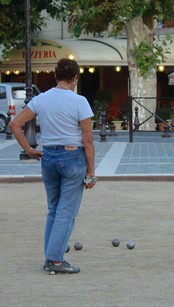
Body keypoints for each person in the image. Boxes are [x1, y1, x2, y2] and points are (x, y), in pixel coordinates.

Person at [9, 58, 96, 275]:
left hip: (48, 157)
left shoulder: (42, 99)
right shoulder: (80, 101)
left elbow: (14, 124)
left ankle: (51, 256)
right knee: (66, 211)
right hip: (72, 156)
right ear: (75, 78)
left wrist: (29, 150)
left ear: (56, 77)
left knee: (54, 210)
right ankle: (55, 260)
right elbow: (88, 140)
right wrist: (91, 171)